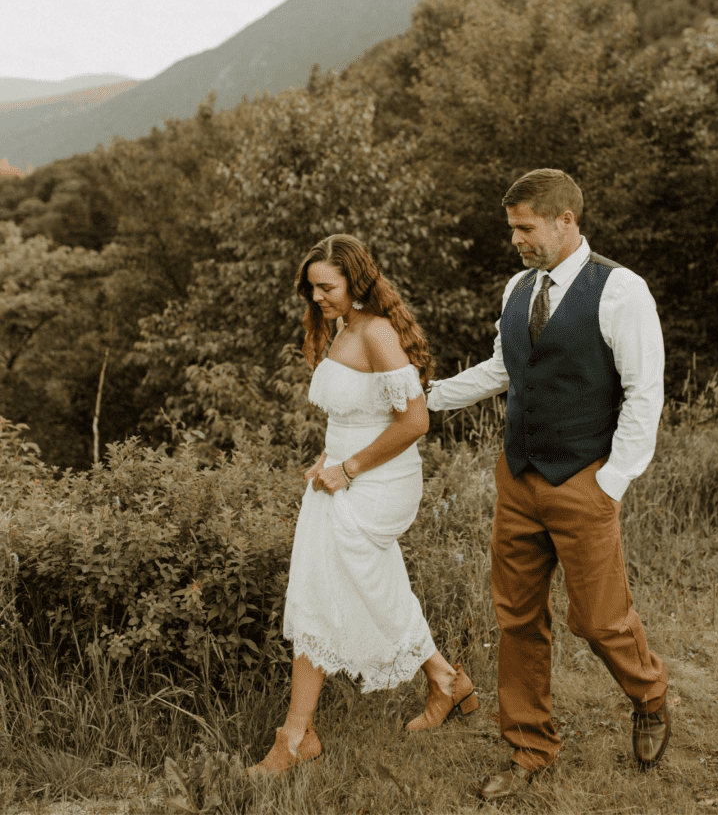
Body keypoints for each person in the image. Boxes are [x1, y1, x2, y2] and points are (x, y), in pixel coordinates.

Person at [426, 168, 670, 800]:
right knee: (517, 617)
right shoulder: (517, 287)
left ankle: (649, 694)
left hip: (583, 481)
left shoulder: (620, 291)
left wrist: (610, 483)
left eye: (525, 228)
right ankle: (530, 747)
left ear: (566, 220)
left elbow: (645, 395)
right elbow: (505, 368)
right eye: (513, 229)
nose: (516, 241)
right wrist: (428, 398)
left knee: (598, 620)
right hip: (518, 479)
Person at [247, 234, 477, 778]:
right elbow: (354, 412)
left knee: (321, 589)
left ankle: (297, 735)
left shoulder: (375, 331)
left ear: (356, 279)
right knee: (363, 584)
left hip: (377, 482)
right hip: (341, 475)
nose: (318, 297)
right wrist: (328, 455)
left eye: (327, 286)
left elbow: (414, 422)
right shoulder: (343, 327)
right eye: (312, 288)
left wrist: (348, 469)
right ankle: (446, 680)